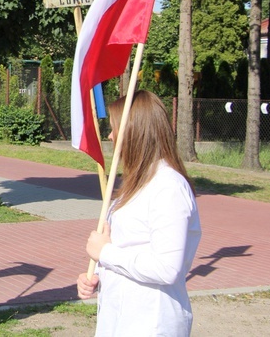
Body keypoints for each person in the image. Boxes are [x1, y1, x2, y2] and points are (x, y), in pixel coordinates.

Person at [76, 90, 202, 336]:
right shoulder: (136, 184)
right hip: (121, 319)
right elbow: (131, 246)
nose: (110, 136)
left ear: (134, 132)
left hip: (151, 322)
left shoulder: (168, 187)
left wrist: (106, 252)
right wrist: (99, 274)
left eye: (114, 128)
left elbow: (167, 268)